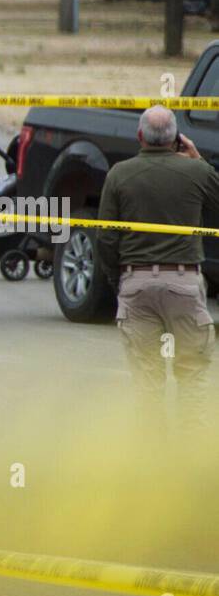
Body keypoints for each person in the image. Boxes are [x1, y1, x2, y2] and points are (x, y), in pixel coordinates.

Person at [96, 105, 219, 434]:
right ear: (177, 139)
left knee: (147, 384)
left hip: (136, 283)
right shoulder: (197, 174)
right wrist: (197, 160)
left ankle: (152, 464)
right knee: (192, 376)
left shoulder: (119, 174)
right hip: (184, 282)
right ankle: (190, 460)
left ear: (140, 137)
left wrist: (116, 278)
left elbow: (106, 238)